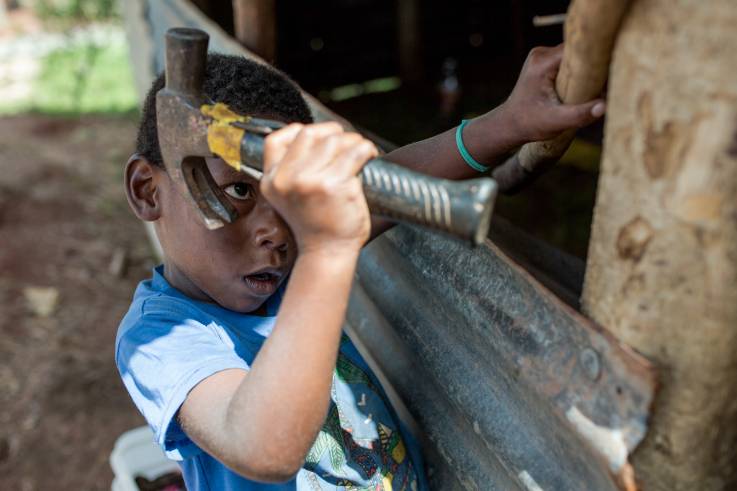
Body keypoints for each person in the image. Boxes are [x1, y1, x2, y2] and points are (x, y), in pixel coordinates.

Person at [116, 45, 604, 490]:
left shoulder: (283, 268)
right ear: (147, 190)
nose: (276, 233)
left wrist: (510, 123)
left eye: (292, 204)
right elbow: (262, 447)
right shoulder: (162, 338)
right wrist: (327, 247)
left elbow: (390, 187)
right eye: (240, 190)